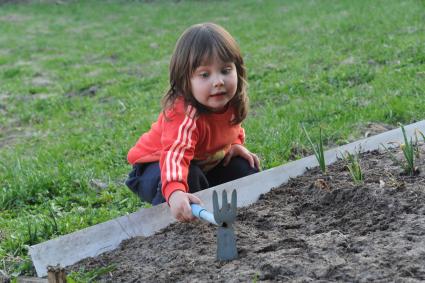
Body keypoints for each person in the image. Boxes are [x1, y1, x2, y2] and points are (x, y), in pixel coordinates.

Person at [126, 22, 260, 222]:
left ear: (237, 70)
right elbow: (174, 155)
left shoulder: (229, 101)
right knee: (187, 179)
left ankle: (240, 217)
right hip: (157, 167)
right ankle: (174, 219)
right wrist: (174, 191)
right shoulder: (186, 113)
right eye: (204, 74)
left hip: (198, 162)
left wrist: (235, 145)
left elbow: (230, 128)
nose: (218, 81)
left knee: (244, 166)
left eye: (225, 70)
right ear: (185, 81)